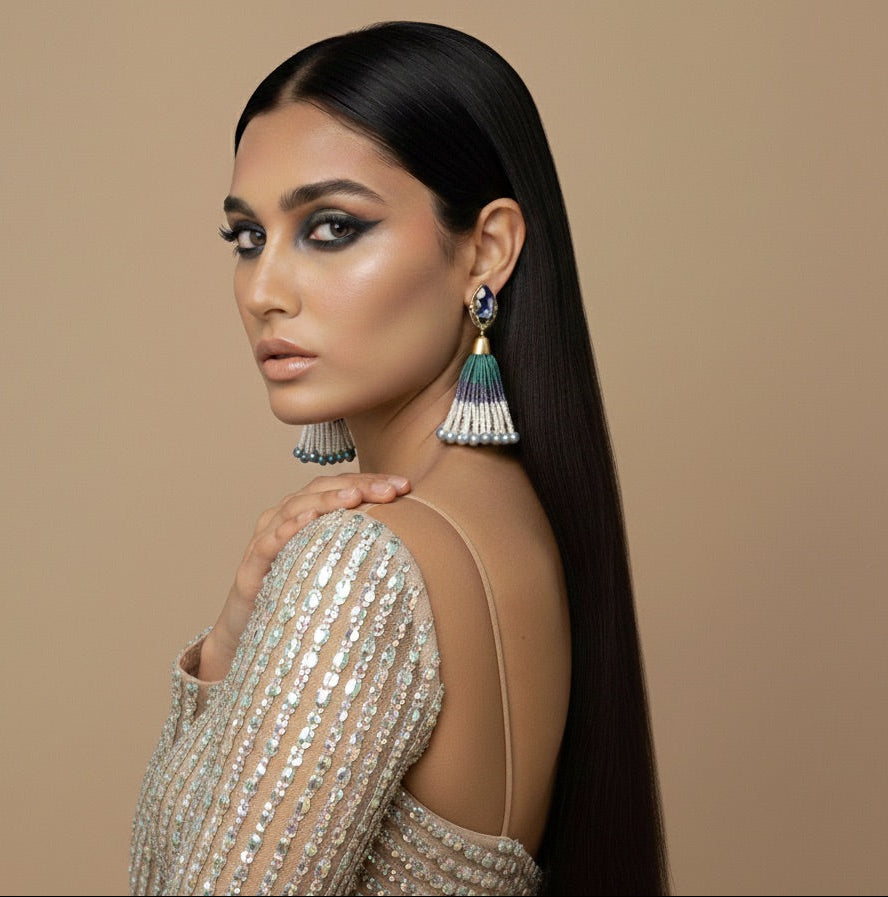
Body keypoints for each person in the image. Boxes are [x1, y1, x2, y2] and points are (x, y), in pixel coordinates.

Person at [130, 20, 669, 896]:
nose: (264, 290)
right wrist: (232, 637)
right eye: (247, 238)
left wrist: (226, 657)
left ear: (486, 248)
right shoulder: (519, 519)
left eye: (331, 227)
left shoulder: (359, 563)